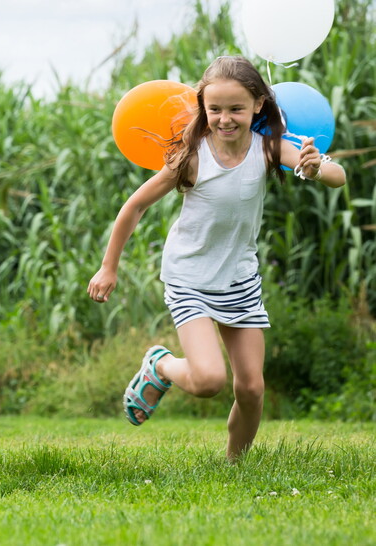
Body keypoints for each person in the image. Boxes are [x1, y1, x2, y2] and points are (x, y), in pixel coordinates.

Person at [88, 56, 347, 462]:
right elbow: (135, 206)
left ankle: (234, 465)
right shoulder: (192, 156)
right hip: (189, 277)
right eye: (215, 109)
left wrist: (314, 169)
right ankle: (161, 366)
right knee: (209, 379)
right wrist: (109, 266)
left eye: (236, 109)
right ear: (203, 107)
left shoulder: (269, 148)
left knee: (251, 388)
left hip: (239, 280)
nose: (225, 119)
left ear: (259, 104)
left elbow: (337, 175)